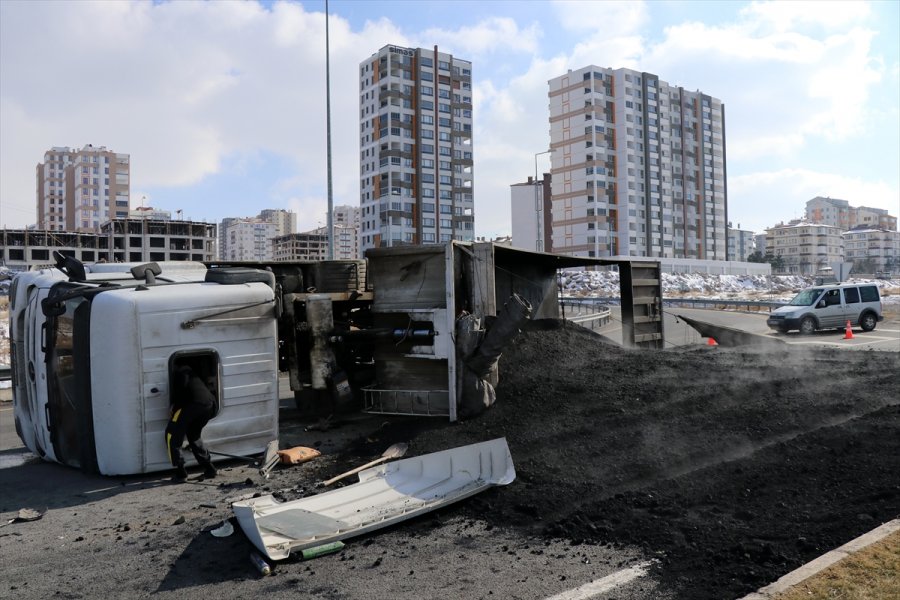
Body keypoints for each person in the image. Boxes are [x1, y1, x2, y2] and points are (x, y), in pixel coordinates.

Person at [165, 365, 217, 482]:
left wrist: (175, 405)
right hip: (210, 404)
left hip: (192, 404)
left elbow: (181, 389)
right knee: (193, 435)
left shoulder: (180, 372)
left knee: (171, 434)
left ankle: (181, 472)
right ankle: (209, 468)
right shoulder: (195, 376)